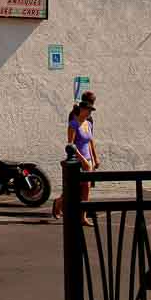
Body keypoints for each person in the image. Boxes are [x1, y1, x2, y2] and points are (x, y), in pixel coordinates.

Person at [52, 94, 100, 224]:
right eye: (89, 110)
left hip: (88, 161)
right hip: (78, 162)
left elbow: (90, 142)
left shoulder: (88, 124)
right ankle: (58, 202)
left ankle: (82, 217)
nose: (90, 113)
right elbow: (71, 145)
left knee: (86, 189)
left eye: (91, 111)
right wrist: (83, 160)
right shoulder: (73, 124)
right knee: (74, 188)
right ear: (83, 109)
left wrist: (94, 158)